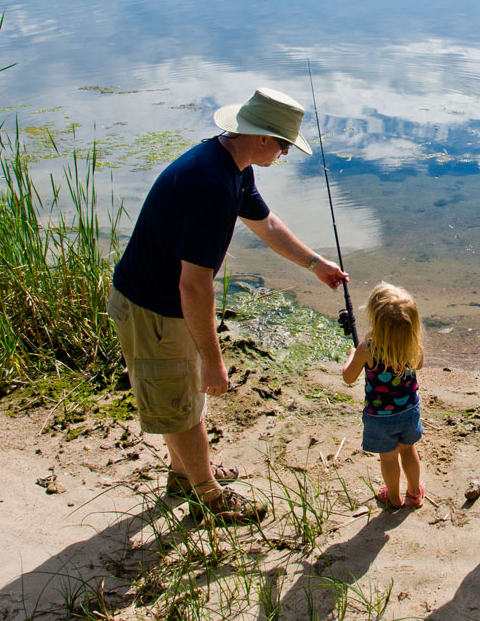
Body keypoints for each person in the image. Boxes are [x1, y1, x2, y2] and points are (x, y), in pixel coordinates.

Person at [107, 87, 347, 523]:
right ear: (260, 138)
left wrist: (314, 263)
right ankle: (208, 498)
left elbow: (266, 222)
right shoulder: (212, 184)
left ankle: (185, 478)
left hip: (162, 303)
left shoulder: (230, 164)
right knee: (180, 402)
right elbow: (195, 287)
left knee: (181, 399)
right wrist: (214, 362)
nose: (286, 155)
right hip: (153, 308)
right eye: (284, 145)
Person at [342, 283, 426, 509]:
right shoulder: (413, 345)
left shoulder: (367, 349)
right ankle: (415, 493)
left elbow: (348, 377)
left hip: (379, 417)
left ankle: (394, 498)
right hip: (409, 411)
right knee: (409, 451)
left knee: (388, 459)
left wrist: (352, 355)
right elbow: (420, 364)